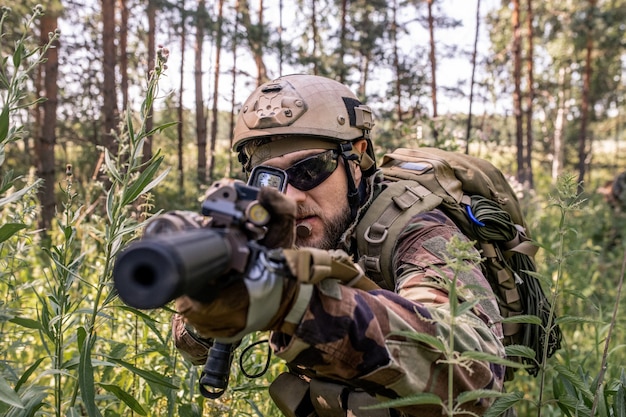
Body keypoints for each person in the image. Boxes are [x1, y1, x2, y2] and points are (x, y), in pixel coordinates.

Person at [171, 74, 506, 417]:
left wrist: (295, 304)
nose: (291, 197)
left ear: (357, 160)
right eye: (271, 179)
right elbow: (192, 347)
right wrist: (211, 291)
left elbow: (476, 375)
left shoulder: (418, 231)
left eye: (310, 169)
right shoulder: (273, 227)